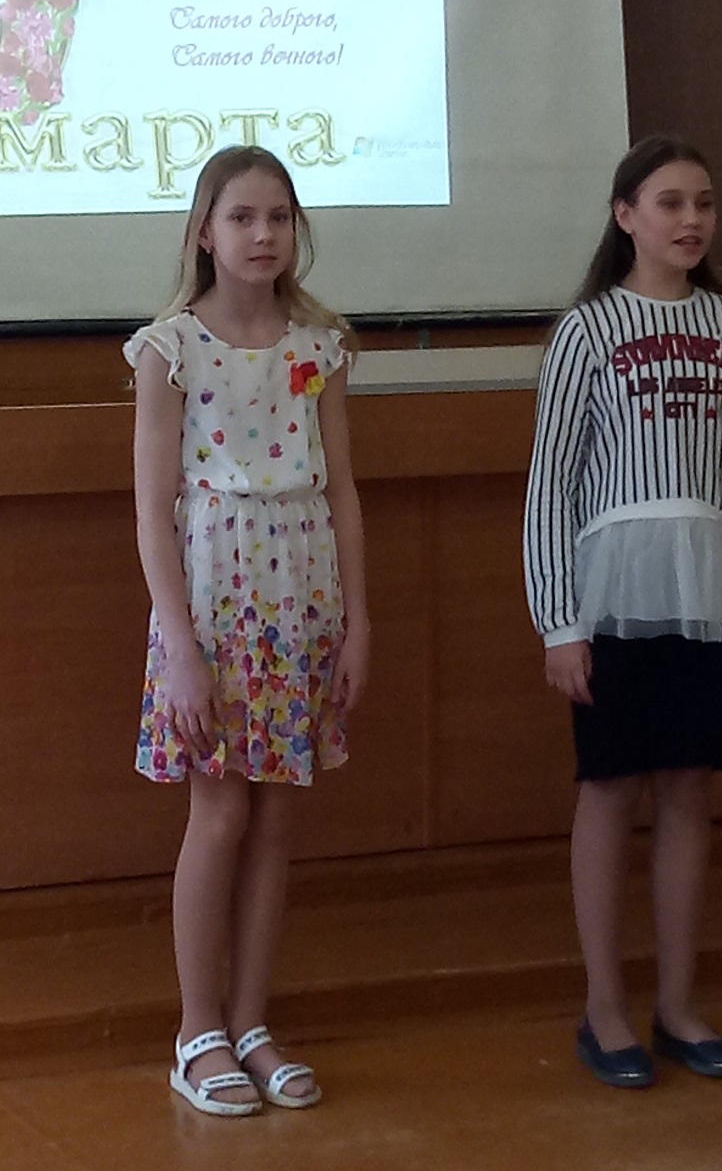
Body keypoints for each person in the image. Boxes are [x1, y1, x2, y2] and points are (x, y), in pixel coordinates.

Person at [523, 135, 722, 1088]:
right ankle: (605, 1011)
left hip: (710, 589)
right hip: (613, 592)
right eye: (669, 202)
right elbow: (549, 485)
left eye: (702, 202)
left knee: (687, 788)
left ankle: (676, 1006)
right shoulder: (586, 331)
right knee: (611, 785)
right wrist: (558, 620)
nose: (690, 219)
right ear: (625, 215)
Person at [124, 145, 369, 1117]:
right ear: (203, 231)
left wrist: (357, 622)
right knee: (219, 813)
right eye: (241, 217)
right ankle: (198, 1030)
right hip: (214, 602)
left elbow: (342, 491)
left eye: (278, 217)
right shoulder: (169, 349)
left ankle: (253, 1022)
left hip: (299, 596)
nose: (262, 234)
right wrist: (180, 647)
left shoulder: (320, 346)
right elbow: (152, 511)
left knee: (274, 817)